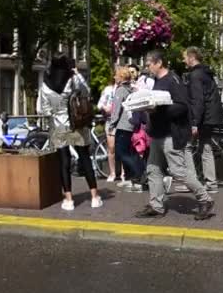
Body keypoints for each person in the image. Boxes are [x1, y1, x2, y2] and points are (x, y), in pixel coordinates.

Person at [135, 50, 215, 221]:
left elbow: (182, 106)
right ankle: (156, 205)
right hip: (158, 133)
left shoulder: (173, 80)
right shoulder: (157, 81)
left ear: (159, 63)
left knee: (178, 171)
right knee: (153, 169)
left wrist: (158, 109)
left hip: (171, 133)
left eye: (149, 64)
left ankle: (205, 199)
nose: (147, 67)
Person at [40, 53, 102, 211]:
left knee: (64, 162)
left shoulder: (45, 84)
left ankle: (68, 199)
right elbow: (86, 92)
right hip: (77, 124)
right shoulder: (73, 78)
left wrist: (55, 112)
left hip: (58, 126)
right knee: (85, 158)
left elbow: (43, 109)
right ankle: (95, 197)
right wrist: (77, 74)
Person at [177, 46, 223, 194]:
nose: (184, 60)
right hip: (210, 117)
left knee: (187, 147)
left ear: (192, 57)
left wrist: (194, 122)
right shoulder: (206, 73)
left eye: (185, 57)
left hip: (202, 117)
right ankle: (211, 183)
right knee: (206, 147)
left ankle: (193, 182)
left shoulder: (195, 75)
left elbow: (197, 100)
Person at [108, 67, 146, 193]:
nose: (114, 77)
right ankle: (131, 178)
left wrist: (112, 124)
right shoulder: (132, 89)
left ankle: (140, 174)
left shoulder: (121, 90)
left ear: (121, 77)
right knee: (130, 152)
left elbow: (116, 110)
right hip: (131, 125)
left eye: (116, 75)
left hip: (123, 125)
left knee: (122, 153)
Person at [97, 77, 123, 183]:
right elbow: (100, 104)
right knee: (111, 148)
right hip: (110, 120)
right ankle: (112, 172)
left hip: (122, 120)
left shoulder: (126, 89)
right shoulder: (108, 89)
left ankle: (123, 173)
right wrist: (105, 108)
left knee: (122, 148)